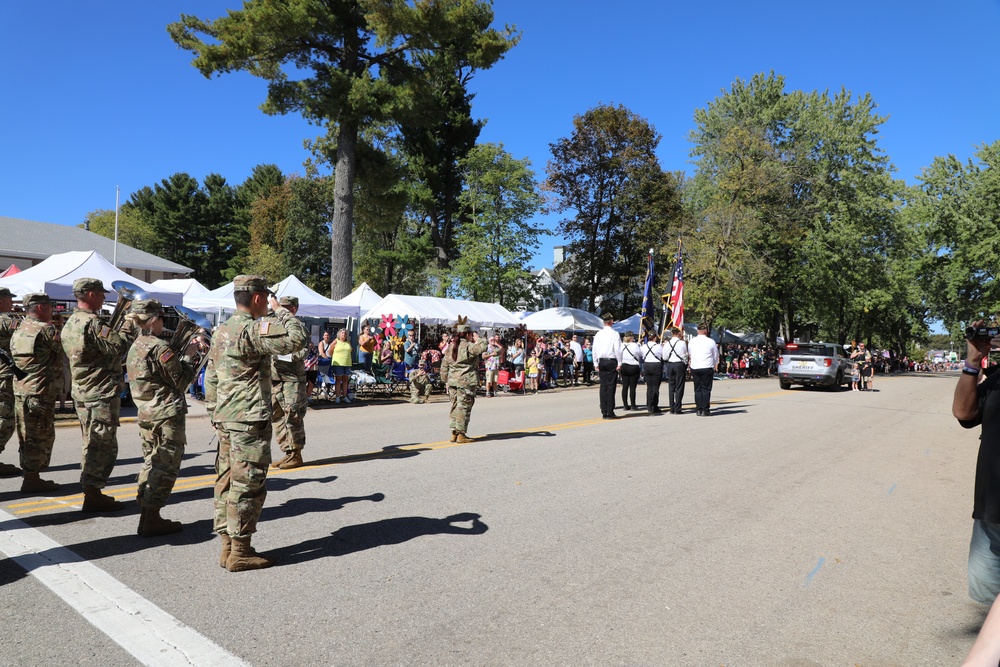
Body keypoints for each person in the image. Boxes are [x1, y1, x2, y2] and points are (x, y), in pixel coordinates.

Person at [204, 275, 307, 572]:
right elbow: (298, 338)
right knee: (248, 484)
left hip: (226, 417)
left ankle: (226, 546)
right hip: (248, 419)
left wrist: (215, 412)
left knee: (225, 481)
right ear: (260, 298)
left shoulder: (222, 330)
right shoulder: (253, 328)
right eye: (267, 297)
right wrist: (283, 311)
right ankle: (240, 551)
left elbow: (211, 377)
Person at [125, 299, 203, 537]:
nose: (163, 323)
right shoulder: (160, 348)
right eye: (160, 319)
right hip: (166, 413)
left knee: (151, 461)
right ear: (153, 320)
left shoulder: (137, 344)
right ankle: (152, 517)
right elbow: (180, 381)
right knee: (166, 465)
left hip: (147, 411)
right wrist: (190, 356)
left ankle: (146, 510)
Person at [61, 277, 138, 512]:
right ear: (91, 295)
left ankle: (91, 491)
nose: (105, 298)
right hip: (100, 391)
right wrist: (128, 325)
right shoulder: (93, 324)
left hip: (83, 390)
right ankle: (93, 494)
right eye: (101, 294)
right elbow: (120, 348)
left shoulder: (71, 321)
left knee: (91, 441)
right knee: (102, 445)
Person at [11, 293, 62, 493]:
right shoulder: (46, 329)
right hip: (40, 390)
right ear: (41, 308)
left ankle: (31, 476)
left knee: (27, 434)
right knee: (41, 435)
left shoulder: (20, 328)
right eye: (50, 306)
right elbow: (62, 349)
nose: (52, 310)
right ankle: (32, 479)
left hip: (23, 389)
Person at [270, 296, 309, 469]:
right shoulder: (276, 326)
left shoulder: (298, 328)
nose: (281, 310)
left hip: (292, 379)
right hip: (275, 379)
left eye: (286, 307)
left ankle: (296, 454)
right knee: (277, 417)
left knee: (292, 415)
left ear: (294, 309)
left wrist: (278, 354)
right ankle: (287, 452)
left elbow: (301, 353)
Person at [440, 319, 487, 443]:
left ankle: (454, 433)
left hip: (452, 382)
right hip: (465, 382)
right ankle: (461, 434)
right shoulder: (468, 346)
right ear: (467, 334)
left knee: (455, 406)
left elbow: (444, 365)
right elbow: (483, 347)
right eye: (471, 334)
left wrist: (445, 380)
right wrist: (479, 338)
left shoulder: (450, 347)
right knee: (463, 407)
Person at [0, 287, 21, 477]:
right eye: (9, 299)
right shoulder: (6, 320)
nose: (12, 303)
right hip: (4, 376)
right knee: (5, 419)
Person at [592, 313, 623, 419]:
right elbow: (617, 349)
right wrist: (619, 362)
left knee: (603, 386)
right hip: (611, 361)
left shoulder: (598, 334)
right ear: (611, 322)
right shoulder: (614, 334)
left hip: (601, 361)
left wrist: (595, 363)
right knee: (610, 387)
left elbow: (594, 349)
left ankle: (604, 410)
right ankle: (609, 411)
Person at [688, 323, 719, 416]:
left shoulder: (692, 341)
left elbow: (690, 354)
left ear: (698, 331)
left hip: (695, 367)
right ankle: (705, 409)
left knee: (697, 389)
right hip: (706, 367)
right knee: (706, 389)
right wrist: (714, 366)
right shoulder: (711, 341)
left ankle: (699, 409)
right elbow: (715, 355)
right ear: (706, 331)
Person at [663, 327, 689, 414]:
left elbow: (664, 357)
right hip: (679, 364)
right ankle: (677, 408)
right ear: (678, 333)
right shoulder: (682, 343)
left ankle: (672, 407)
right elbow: (685, 355)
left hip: (670, 364)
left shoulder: (667, 343)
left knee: (671, 387)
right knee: (679, 386)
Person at [640, 332, 663, 414]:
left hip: (647, 365)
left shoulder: (644, 346)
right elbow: (662, 356)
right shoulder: (658, 346)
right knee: (655, 387)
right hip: (656, 365)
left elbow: (641, 356)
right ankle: (654, 406)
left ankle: (649, 406)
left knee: (649, 387)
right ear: (655, 338)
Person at [329, 328, 353, 404]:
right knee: (338, 380)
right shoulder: (335, 341)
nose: (344, 334)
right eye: (342, 333)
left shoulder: (348, 342)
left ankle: (344, 396)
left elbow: (350, 350)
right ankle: (337, 397)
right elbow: (330, 351)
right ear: (339, 334)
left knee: (345, 380)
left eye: (345, 333)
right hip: (338, 363)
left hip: (347, 363)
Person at [620, 332, 642, 410]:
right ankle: (633, 405)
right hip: (633, 366)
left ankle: (625, 405)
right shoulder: (634, 345)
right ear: (631, 337)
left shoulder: (621, 345)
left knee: (625, 386)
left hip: (624, 366)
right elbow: (640, 354)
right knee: (632, 387)